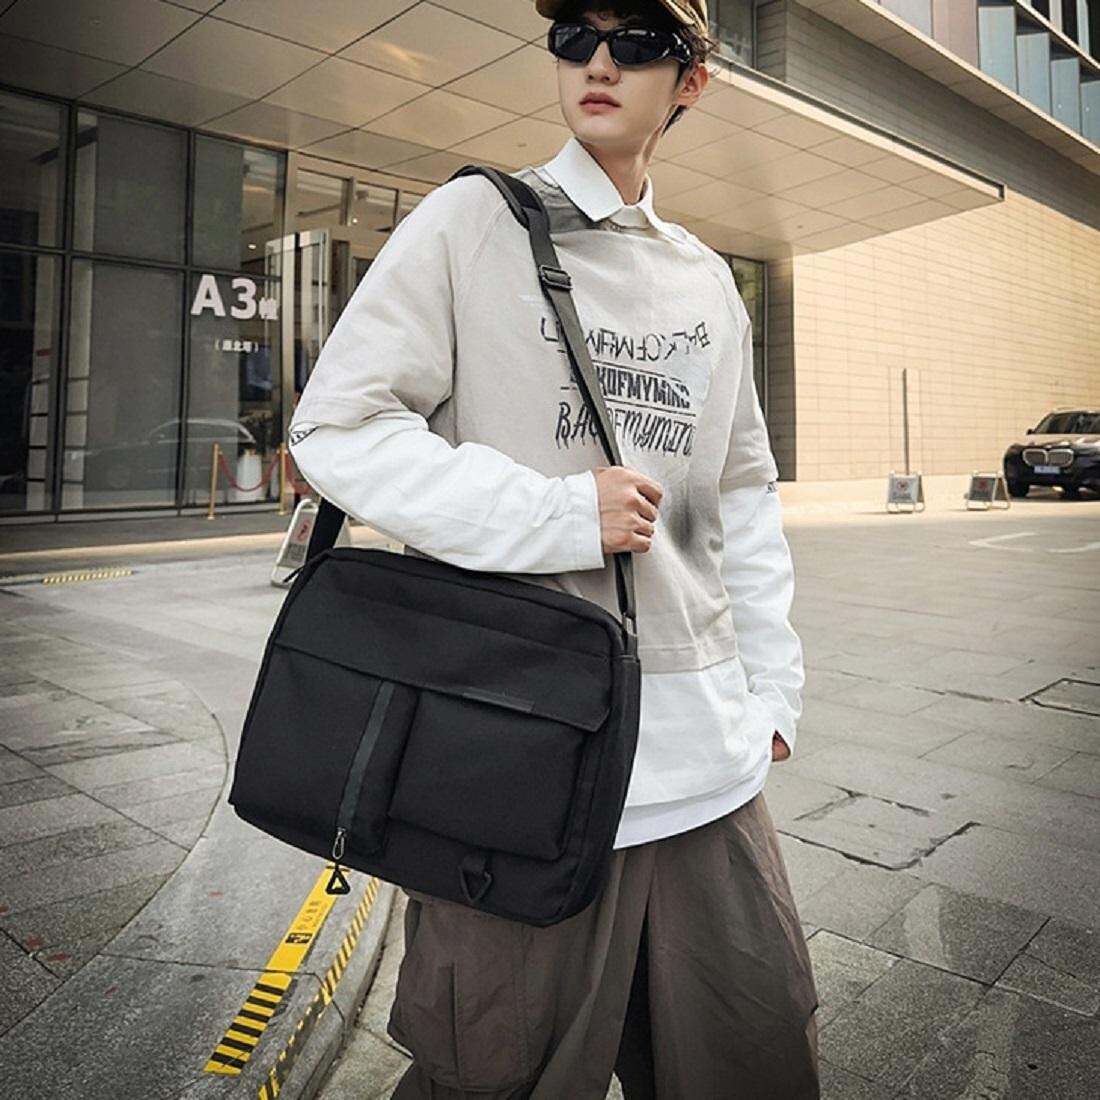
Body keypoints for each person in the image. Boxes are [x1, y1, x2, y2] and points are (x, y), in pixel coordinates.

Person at [288, 1, 820, 1095]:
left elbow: (740, 490)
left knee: (758, 1058)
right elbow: (334, 428)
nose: (598, 61)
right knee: (494, 1073)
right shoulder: (471, 222)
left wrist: (772, 686)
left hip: (706, 767)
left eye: (637, 43)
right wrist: (555, 513)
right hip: (511, 755)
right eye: (575, 36)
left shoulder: (705, 280)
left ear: (690, 81)